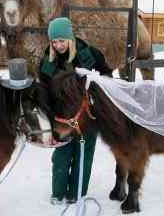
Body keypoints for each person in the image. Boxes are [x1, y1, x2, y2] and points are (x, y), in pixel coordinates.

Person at [39, 17, 112, 205]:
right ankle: (58, 192)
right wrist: (49, 122)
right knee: (61, 155)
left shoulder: (90, 55)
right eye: (54, 41)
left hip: (86, 114)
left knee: (83, 153)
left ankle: (77, 192)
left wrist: (94, 81)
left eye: (61, 40)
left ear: (70, 38)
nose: (58, 45)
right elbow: (44, 94)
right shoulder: (47, 62)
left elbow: (107, 77)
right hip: (62, 118)